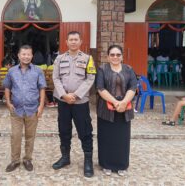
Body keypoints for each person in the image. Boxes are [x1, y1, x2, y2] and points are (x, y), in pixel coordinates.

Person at [52, 31, 96, 178]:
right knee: (63, 130)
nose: (73, 42)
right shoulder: (59, 58)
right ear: (66, 42)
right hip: (63, 101)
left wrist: (76, 95)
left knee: (85, 131)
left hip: (80, 102)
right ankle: (65, 157)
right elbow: (55, 78)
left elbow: (90, 78)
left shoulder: (88, 58)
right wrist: (64, 95)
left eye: (76, 39)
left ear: (80, 41)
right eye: (71, 39)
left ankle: (88, 161)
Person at [95, 44, 137, 177]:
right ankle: (106, 164)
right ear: (108, 57)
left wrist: (124, 102)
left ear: (122, 56)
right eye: (112, 55)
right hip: (106, 109)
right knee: (106, 138)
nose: (115, 57)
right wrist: (115, 102)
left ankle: (121, 165)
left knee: (122, 139)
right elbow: (100, 88)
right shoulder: (102, 69)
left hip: (124, 109)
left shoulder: (129, 69)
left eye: (118, 55)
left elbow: (133, 87)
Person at [3, 45, 46, 172]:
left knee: (30, 136)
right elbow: (7, 87)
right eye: (23, 54)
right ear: (19, 55)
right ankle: (15, 160)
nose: (26, 56)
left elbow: (42, 88)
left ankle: (27, 159)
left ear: (32, 56)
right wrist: (8, 102)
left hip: (32, 109)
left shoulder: (38, 71)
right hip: (16, 109)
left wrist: (41, 105)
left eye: (28, 54)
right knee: (15, 136)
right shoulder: (12, 71)